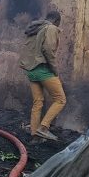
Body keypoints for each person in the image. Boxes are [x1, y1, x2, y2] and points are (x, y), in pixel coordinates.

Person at [19, 11, 66, 141]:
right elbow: (48, 50)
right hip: (43, 69)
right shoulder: (51, 28)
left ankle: (35, 134)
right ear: (57, 20)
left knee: (38, 102)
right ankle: (44, 127)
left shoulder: (36, 28)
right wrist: (54, 69)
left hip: (31, 70)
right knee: (60, 99)